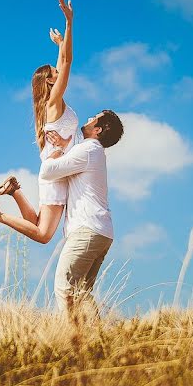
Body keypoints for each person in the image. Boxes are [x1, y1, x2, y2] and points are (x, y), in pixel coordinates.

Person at [0, 0, 76, 245]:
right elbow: (67, 62)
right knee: (43, 235)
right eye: (55, 74)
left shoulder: (51, 104)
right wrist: (69, 23)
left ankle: (14, 190)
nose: (60, 72)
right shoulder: (53, 103)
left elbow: (63, 60)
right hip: (55, 172)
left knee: (36, 223)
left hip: (53, 170)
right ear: (49, 81)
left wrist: (60, 45)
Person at [40, 110, 124, 313]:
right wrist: (64, 146)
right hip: (100, 232)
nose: (88, 119)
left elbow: (47, 171)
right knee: (82, 292)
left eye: (93, 118)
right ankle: (95, 338)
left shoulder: (88, 149)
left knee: (65, 286)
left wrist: (57, 149)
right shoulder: (92, 151)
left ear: (98, 129)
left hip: (87, 230)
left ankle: (74, 339)